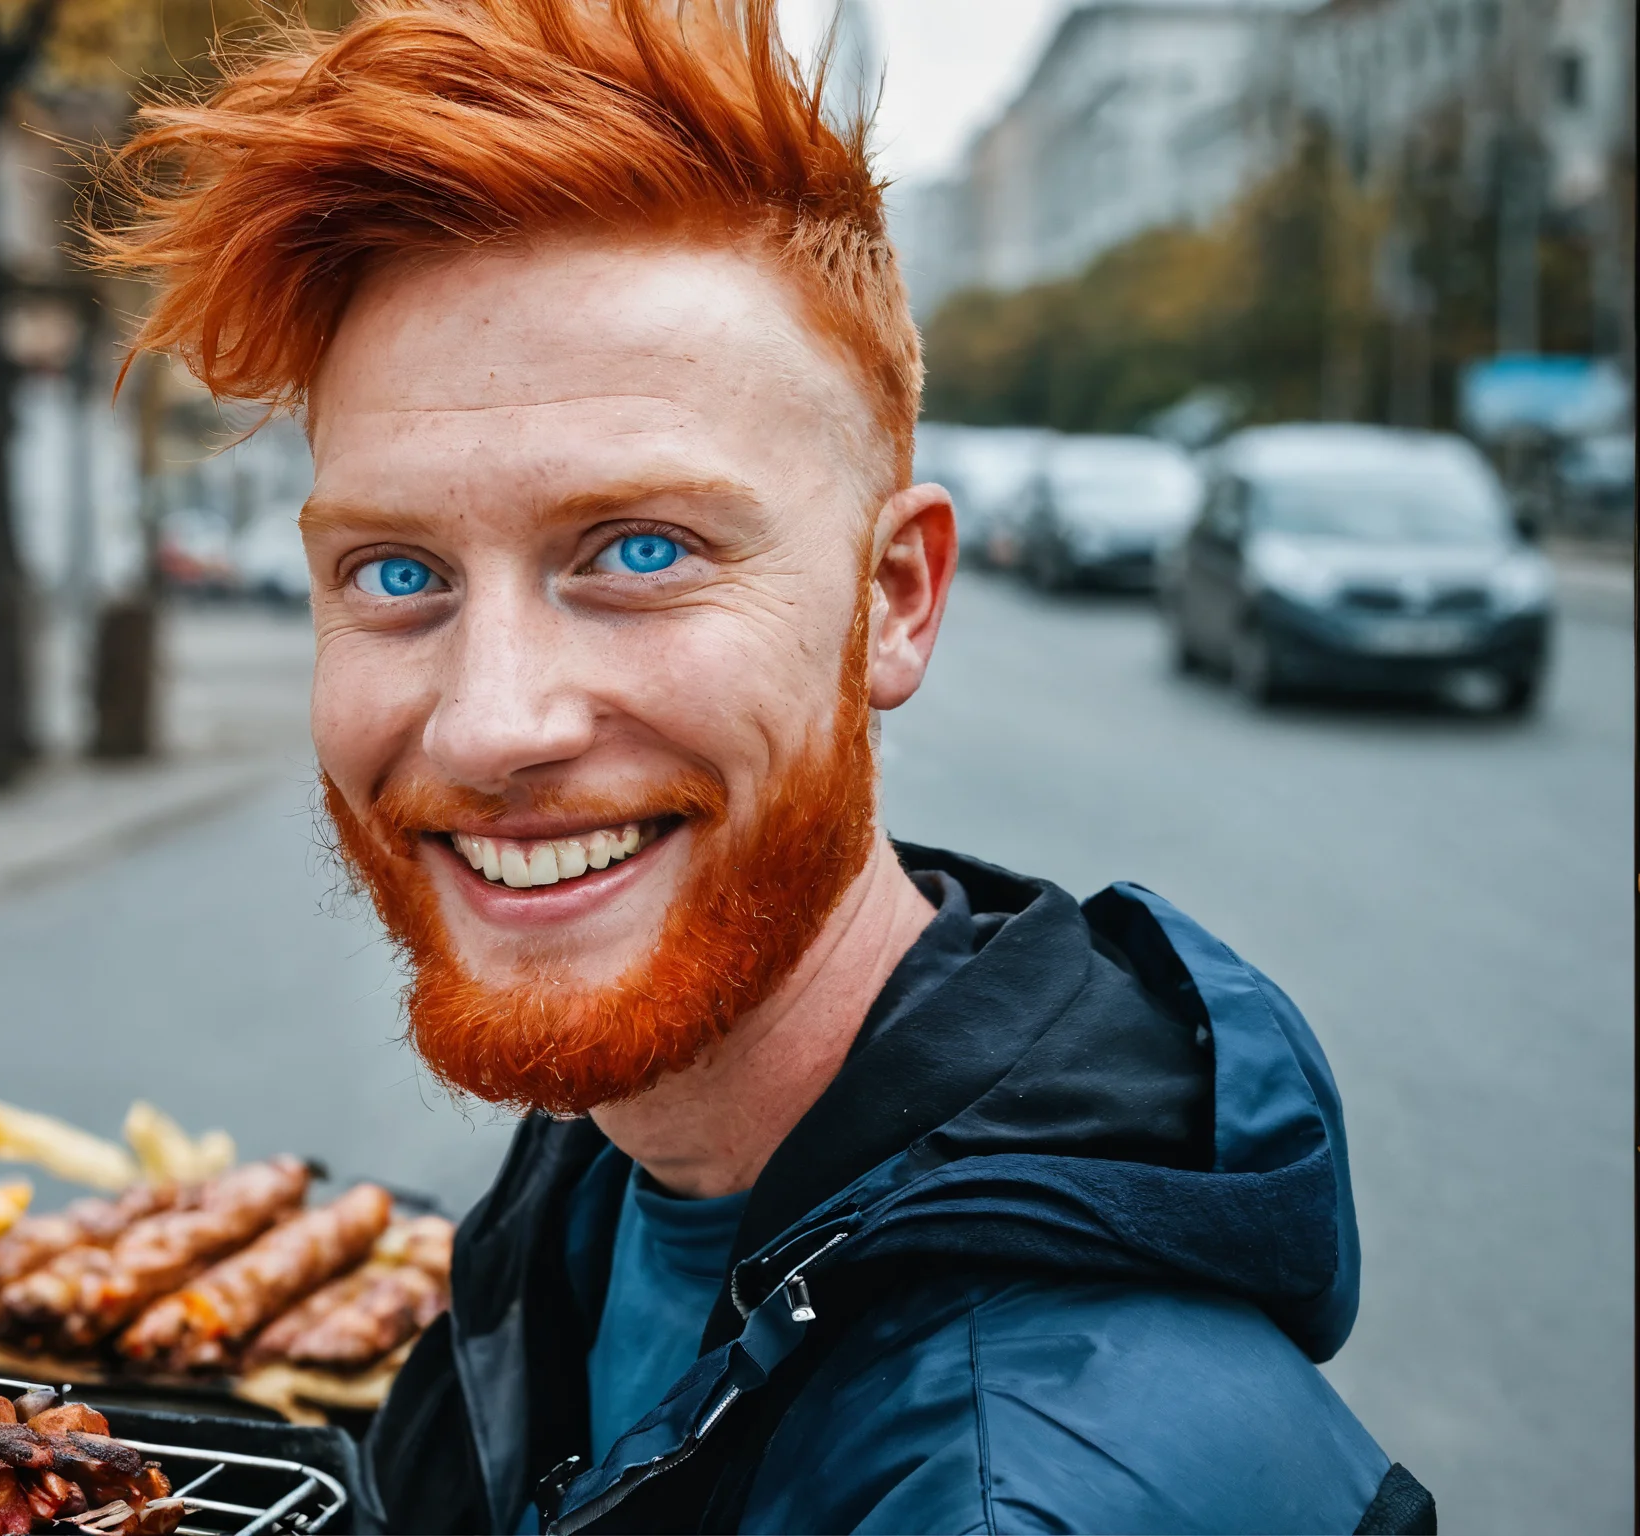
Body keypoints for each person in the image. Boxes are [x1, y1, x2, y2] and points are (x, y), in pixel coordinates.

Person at [99, 0, 1435, 1528]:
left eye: (641, 552)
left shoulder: (1019, 1491)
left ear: (893, 601)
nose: (487, 723)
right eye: (397, 575)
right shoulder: (609, 1181)